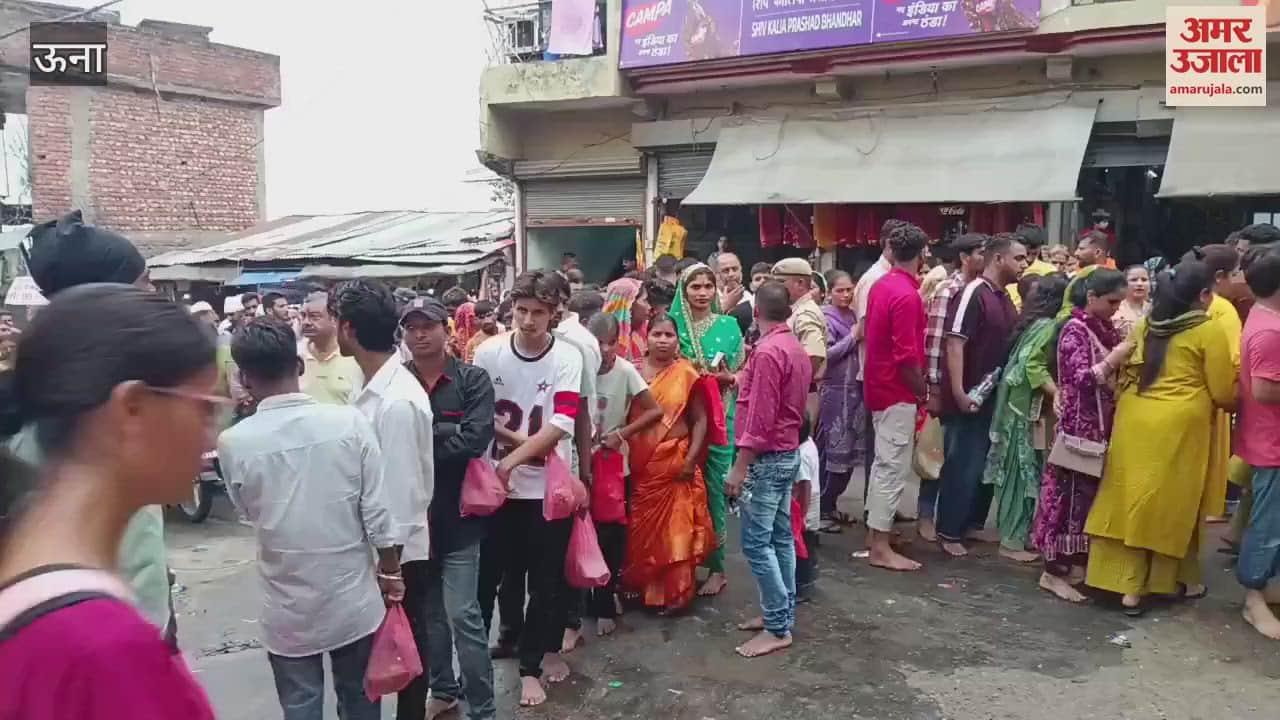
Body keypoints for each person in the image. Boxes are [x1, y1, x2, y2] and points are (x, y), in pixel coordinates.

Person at [0, 285, 218, 719]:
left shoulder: (27, 580)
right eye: (204, 408)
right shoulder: (103, 651)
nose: (211, 436)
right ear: (133, 408)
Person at [218, 319, 403, 720]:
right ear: (299, 366)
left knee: (300, 704)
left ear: (245, 378)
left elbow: (247, 510)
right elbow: (377, 512)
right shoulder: (349, 422)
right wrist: (391, 572)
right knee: (359, 698)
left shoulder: (233, 443)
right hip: (350, 596)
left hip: (286, 604)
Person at [8, 210, 175, 642]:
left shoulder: (107, 384)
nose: (153, 291)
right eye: (143, 281)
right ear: (108, 299)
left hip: (134, 619)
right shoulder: (76, 411)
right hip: (100, 639)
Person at [1085, 260, 1235, 615]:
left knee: (1125, 499)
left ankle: (1120, 583)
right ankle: (1145, 588)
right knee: (1167, 507)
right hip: (1179, 425)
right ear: (1202, 295)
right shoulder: (1207, 330)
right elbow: (1224, 393)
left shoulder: (1147, 324)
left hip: (1134, 418)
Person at [473, 271, 583, 708]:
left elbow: (562, 423)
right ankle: (473, 666)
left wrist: (510, 458)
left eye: (539, 312)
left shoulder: (567, 358)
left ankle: (531, 668)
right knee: (486, 582)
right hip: (494, 492)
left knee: (545, 583)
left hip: (545, 491)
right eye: (521, 311)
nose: (529, 320)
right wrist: (511, 458)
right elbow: (478, 416)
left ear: (554, 313)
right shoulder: (487, 353)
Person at [331, 280, 436, 716]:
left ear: (349, 329)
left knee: (407, 650)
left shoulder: (395, 401)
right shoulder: (371, 386)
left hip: (398, 552)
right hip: (380, 548)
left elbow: (398, 493)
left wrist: (389, 567)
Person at [400, 297, 497, 720]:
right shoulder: (397, 382)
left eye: (429, 325)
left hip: (459, 518)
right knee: (430, 617)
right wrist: (443, 434)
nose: (420, 334)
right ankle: (443, 688)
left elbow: (474, 440)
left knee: (464, 616)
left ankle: (484, 706)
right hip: (412, 523)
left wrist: (418, 449)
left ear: (448, 329)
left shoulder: (472, 381)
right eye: (412, 327)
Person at [1027, 270, 1130, 602]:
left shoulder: (1101, 328)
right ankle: (1052, 572)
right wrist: (1117, 356)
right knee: (1066, 497)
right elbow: (1081, 379)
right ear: (1093, 298)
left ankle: (1072, 566)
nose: (1116, 309)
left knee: (1086, 498)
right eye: (1112, 302)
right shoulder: (1074, 330)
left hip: (1098, 426)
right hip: (1078, 427)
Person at [726, 281, 813, 659]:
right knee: (779, 538)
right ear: (789, 311)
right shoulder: (793, 347)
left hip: (766, 456)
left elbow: (759, 419)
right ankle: (778, 614)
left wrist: (739, 468)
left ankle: (778, 626)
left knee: (758, 544)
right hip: (786, 451)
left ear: (756, 313)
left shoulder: (767, 352)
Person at [935, 233, 1028, 557]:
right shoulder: (974, 292)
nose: (1024, 264)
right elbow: (955, 342)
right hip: (970, 397)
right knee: (964, 462)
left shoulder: (1002, 297)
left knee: (984, 463)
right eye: (1019, 258)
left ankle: (971, 523)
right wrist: (959, 391)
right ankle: (949, 530)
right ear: (999, 259)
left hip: (992, 397)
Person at [621, 312, 715, 613]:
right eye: (657, 334)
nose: (662, 341)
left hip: (675, 460)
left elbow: (700, 420)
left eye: (669, 336)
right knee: (640, 530)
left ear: (678, 341)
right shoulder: (631, 371)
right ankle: (640, 587)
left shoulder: (687, 373)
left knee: (676, 529)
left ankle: (676, 593)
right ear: (646, 337)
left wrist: (690, 460)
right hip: (639, 464)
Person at [670, 262, 745, 598]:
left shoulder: (729, 326)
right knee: (679, 494)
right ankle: (679, 560)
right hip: (678, 423)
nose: (702, 293)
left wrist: (729, 379)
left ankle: (717, 568)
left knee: (713, 492)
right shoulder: (671, 327)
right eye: (694, 287)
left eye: (707, 287)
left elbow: (743, 373)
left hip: (718, 422)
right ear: (683, 291)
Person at [982, 274, 1068, 564]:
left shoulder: (1032, 322)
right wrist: (1055, 392)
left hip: (1016, 406)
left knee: (1018, 471)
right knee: (1020, 473)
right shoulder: (1047, 326)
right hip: (1022, 410)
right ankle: (1012, 540)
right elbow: (1030, 364)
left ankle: (1017, 534)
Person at [586, 313, 662, 632]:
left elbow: (655, 411)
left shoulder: (625, 370)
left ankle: (605, 602)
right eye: (597, 343)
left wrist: (622, 433)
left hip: (615, 464)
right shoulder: (578, 367)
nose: (603, 350)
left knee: (609, 537)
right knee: (577, 535)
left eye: (609, 343)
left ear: (619, 341)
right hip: (578, 462)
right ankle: (580, 604)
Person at [862, 221, 930, 571]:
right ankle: (879, 544)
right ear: (921, 253)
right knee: (891, 466)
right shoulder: (906, 294)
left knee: (884, 464)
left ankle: (878, 535)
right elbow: (906, 356)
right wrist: (923, 392)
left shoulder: (883, 286)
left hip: (879, 386)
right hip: (895, 389)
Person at [920, 233, 986, 541]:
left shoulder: (982, 290)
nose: (985, 258)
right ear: (964, 257)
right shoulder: (950, 290)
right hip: (945, 385)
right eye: (980, 253)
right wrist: (934, 387)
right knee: (936, 451)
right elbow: (935, 342)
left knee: (955, 454)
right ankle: (925, 515)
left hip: (969, 384)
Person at [1235, 248, 1280, 639]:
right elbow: (1266, 390)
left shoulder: (1267, 319)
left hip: (1269, 439)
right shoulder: (1269, 330)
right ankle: (1253, 596)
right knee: (1268, 525)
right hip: (1273, 443)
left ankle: (1266, 586)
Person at [1187, 244, 1245, 522]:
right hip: (1210, 396)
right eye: (1236, 273)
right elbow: (1232, 359)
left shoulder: (1177, 300)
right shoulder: (1223, 309)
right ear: (1220, 276)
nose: (1239, 279)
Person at [816, 270, 866, 533]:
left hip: (855, 392)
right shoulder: (825, 318)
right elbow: (826, 354)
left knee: (848, 456)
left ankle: (832, 504)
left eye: (849, 290)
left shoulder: (856, 315)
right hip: (835, 393)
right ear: (829, 292)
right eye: (840, 290)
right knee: (830, 452)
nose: (846, 295)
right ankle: (821, 508)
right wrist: (853, 338)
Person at [298, 291, 364, 405]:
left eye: (314, 317)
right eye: (303, 316)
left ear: (334, 319)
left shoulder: (354, 355)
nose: (306, 322)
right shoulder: (295, 353)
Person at [773, 258, 828, 379]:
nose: (775, 287)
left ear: (800, 283)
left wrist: (795, 384)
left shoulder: (805, 313)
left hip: (803, 393)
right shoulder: (796, 310)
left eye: (781, 282)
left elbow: (814, 356)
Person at [793, 415, 821, 602]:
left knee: (800, 551)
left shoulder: (800, 456)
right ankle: (809, 577)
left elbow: (804, 487)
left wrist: (800, 515)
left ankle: (802, 587)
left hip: (805, 510)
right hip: (811, 508)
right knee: (808, 547)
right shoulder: (810, 444)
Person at [1059, 231, 1109, 318]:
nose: (1075, 253)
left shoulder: (1104, 279)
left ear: (1097, 252)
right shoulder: (1080, 275)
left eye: (1081, 249)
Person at [603, 277, 651, 364]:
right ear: (628, 305)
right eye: (644, 301)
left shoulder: (651, 331)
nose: (649, 307)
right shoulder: (602, 340)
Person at [716, 251, 754, 335]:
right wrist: (724, 307)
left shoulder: (751, 298)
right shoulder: (709, 298)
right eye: (726, 270)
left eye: (735, 269)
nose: (731, 274)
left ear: (741, 271)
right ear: (716, 275)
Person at [1113, 265, 1152, 339]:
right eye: (1134, 280)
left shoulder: (1155, 309)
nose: (1139, 284)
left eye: (1144, 280)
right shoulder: (1114, 309)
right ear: (1124, 284)